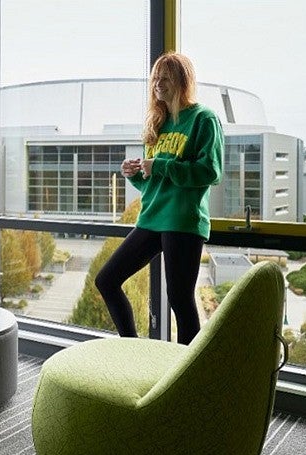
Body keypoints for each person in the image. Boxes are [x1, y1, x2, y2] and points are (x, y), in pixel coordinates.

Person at [95, 52, 223, 344]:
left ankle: (187, 376)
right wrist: (136, 174)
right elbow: (155, 184)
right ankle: (132, 350)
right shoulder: (157, 123)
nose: (158, 83)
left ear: (182, 81)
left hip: (183, 221)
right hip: (151, 218)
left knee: (180, 301)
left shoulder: (203, 119)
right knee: (107, 280)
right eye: (155, 78)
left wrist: (161, 165)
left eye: (165, 77)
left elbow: (210, 171)